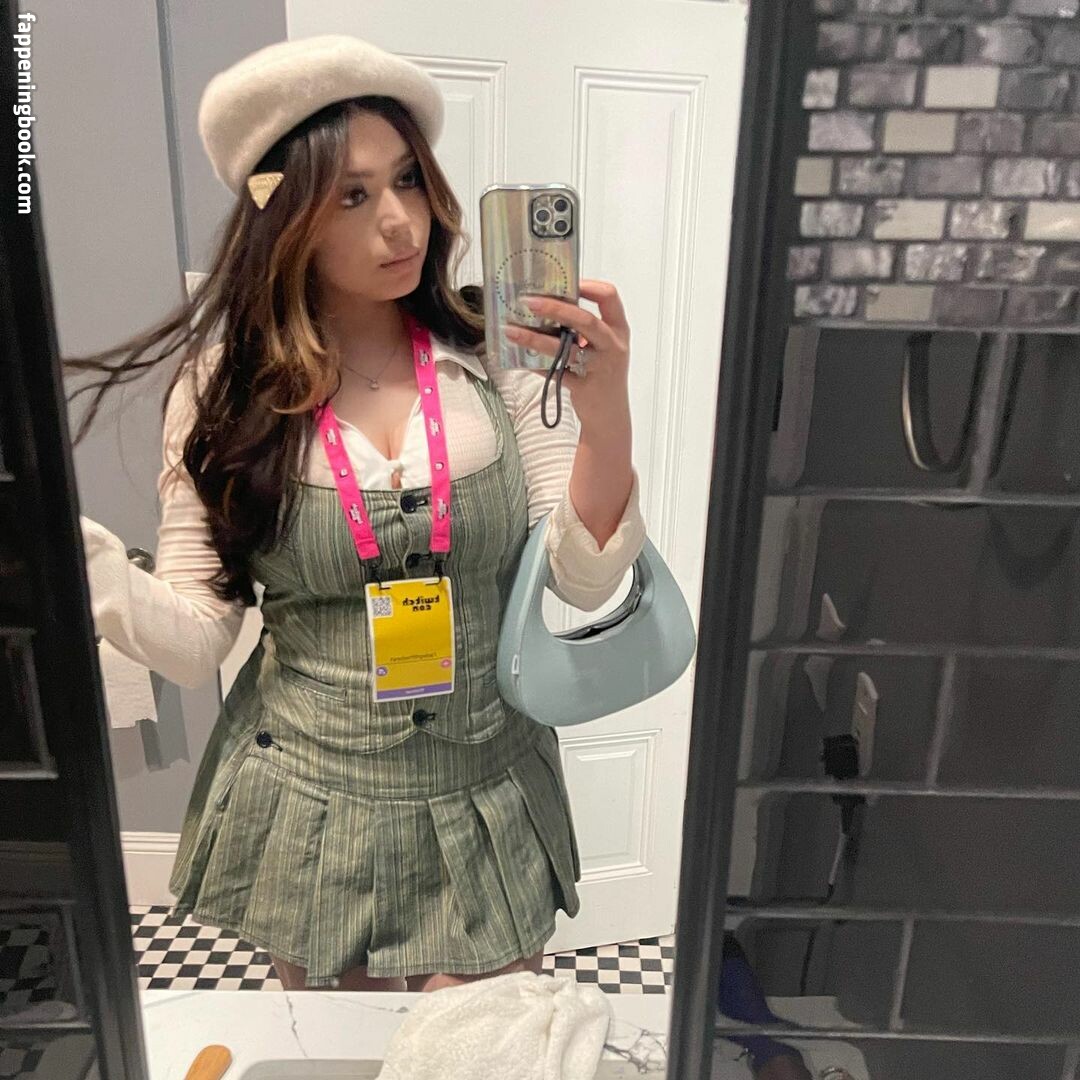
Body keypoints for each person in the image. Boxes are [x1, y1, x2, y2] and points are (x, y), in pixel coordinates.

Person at [69, 35, 646, 993]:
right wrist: (76, 556)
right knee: (342, 1054)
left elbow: (582, 577)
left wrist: (607, 406)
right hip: (313, 806)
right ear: (282, 216)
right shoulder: (223, 388)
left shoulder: (495, 354)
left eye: (408, 180)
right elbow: (197, 641)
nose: (398, 222)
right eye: (351, 196)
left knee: (484, 1048)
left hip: (483, 796)